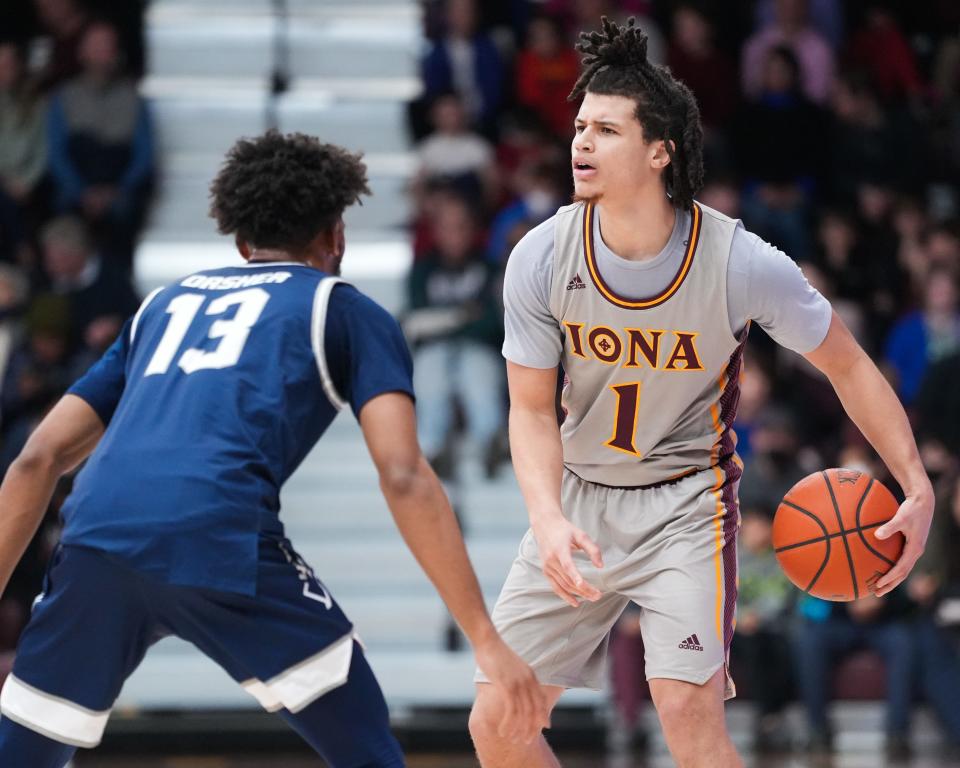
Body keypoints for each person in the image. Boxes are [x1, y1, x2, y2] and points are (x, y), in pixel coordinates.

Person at [467, 17, 933, 768]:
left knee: (685, 709)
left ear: (661, 151)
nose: (581, 142)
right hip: (581, 499)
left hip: (687, 503)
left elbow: (847, 363)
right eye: (581, 126)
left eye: (607, 130)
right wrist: (547, 518)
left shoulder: (741, 261)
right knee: (498, 720)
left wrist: (913, 481)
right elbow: (528, 409)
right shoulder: (542, 255)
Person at [0, 131, 548, 768]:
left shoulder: (162, 305)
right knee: (364, 745)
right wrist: (486, 640)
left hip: (96, 536)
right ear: (337, 236)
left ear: (241, 243)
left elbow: (37, 460)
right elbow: (402, 473)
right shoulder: (346, 310)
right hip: (218, 533)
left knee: (25, 755)